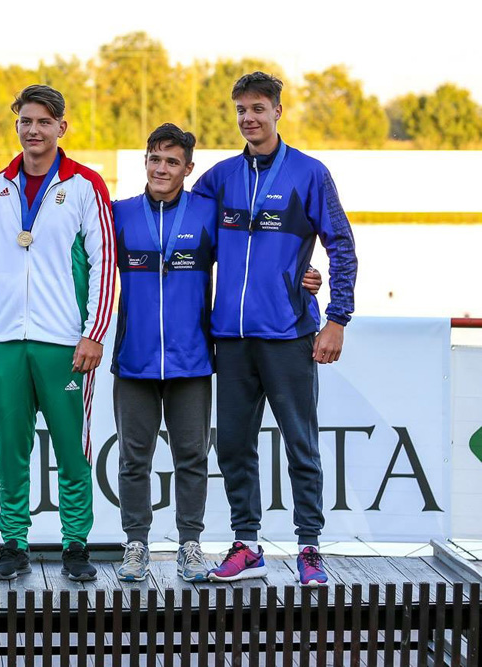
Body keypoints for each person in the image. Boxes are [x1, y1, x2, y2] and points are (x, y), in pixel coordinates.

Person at [112, 123, 322, 583]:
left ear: (189, 169)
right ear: (144, 162)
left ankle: (190, 544)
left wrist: (303, 274)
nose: (162, 168)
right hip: (134, 358)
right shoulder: (119, 214)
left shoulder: (207, 212)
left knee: (192, 457)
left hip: (191, 359)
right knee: (133, 459)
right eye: (154, 159)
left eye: (172, 161)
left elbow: (258, 251)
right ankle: (135, 545)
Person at [192, 72, 357, 586]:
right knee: (233, 447)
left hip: (289, 335)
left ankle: (310, 548)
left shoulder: (309, 173)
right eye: (241, 110)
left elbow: (342, 245)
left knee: (301, 445)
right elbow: (179, 224)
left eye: (258, 108)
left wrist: (337, 317)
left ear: (278, 111)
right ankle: (247, 546)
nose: (249, 118)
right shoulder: (220, 178)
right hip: (232, 339)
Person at [0, 85, 116, 582]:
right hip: (6, 340)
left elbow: (105, 262)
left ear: (62, 126)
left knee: (71, 448)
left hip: (65, 341)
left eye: (43, 122)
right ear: (16, 125)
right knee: (10, 448)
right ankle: (13, 543)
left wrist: (94, 332)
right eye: (25, 121)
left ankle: (75, 543)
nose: (33, 130)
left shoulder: (84, 184)